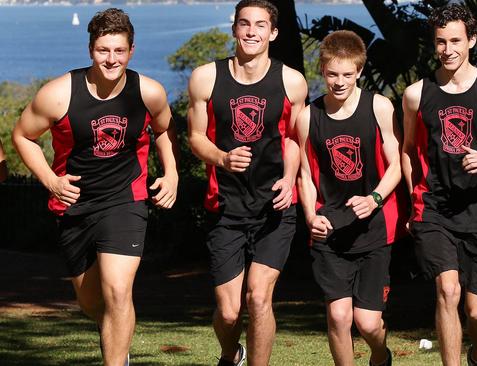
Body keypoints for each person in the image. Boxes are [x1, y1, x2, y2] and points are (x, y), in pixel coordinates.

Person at [12, 8, 178, 366]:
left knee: (118, 291)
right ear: (91, 49)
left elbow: (164, 130)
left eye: (119, 51)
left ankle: (115, 361)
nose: (111, 59)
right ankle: (120, 344)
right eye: (103, 50)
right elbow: (22, 136)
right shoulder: (58, 94)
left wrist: (172, 172)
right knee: (91, 303)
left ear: (132, 50)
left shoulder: (148, 92)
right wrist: (51, 181)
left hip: (126, 200)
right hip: (74, 204)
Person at [401, 4, 477, 365]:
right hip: (434, 209)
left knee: (476, 311)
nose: (448, 49)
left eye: (455, 40)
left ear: (472, 40)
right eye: (440, 42)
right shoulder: (415, 94)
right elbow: (408, 150)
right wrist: (414, 200)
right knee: (447, 290)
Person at [186, 1, 307, 365]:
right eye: (244, 24)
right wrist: (222, 158)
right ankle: (230, 353)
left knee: (258, 297)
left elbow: (294, 140)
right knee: (228, 312)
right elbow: (194, 137)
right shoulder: (206, 77)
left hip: (275, 206)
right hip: (224, 207)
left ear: (273, 33)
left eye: (260, 25)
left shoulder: (292, 81)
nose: (251, 32)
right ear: (234, 29)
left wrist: (289, 179)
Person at [297, 30, 403, 366]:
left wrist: (374, 198)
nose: (339, 82)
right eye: (332, 74)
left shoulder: (379, 107)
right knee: (340, 317)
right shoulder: (308, 117)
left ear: (359, 70)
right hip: (330, 228)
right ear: (322, 70)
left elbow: (397, 166)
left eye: (347, 74)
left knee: (368, 323)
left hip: (374, 227)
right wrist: (311, 217)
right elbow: (305, 175)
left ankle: (379, 354)